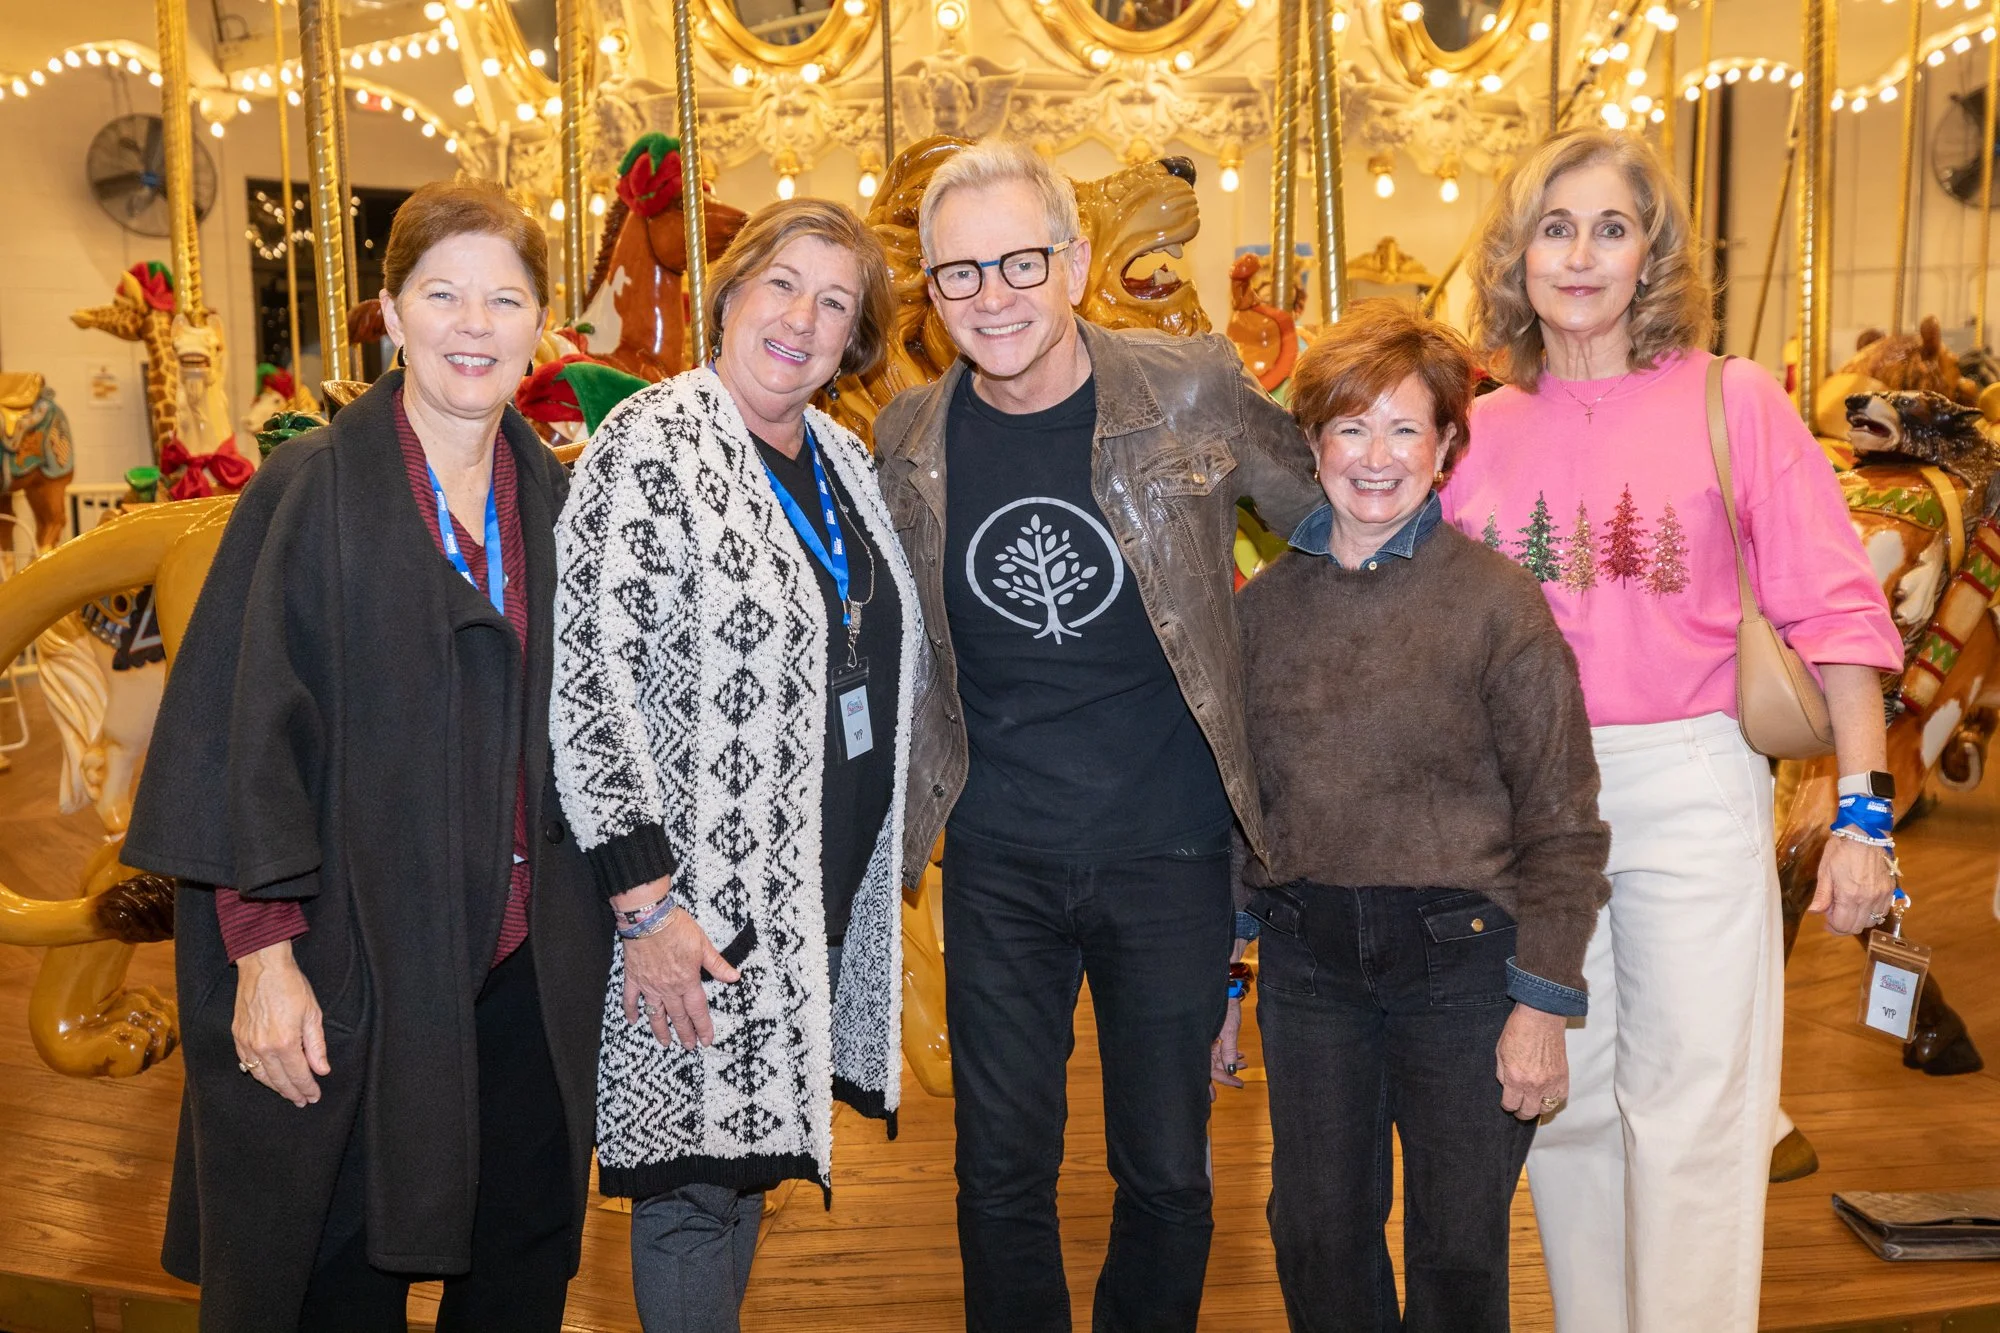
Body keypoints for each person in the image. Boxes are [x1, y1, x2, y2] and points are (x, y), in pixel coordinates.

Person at [122, 179, 611, 1332]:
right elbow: (236, 736)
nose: (474, 325)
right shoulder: (309, 492)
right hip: (351, 963)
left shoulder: (557, 499)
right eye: (442, 294)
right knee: (335, 1276)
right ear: (389, 314)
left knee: (517, 1269)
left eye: (505, 299)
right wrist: (262, 958)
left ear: (540, 326)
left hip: (524, 974)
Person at [1450, 128, 1905, 1332]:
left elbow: (1837, 613)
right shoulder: (1476, 428)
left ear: (1650, 254)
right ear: (1516, 253)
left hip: (1688, 776)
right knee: (1563, 1107)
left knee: (1695, 1110)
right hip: (1526, 802)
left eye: (1610, 228)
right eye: (1554, 228)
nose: (1579, 255)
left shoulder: (1730, 398)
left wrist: (1864, 814)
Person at [872, 137, 1321, 1332]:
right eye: (960, 272)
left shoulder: (1190, 388)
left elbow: (1330, 522)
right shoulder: (907, 437)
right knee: (998, 1170)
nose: (994, 296)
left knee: (1164, 1168)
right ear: (932, 291)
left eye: (1020, 261)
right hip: (996, 855)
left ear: (1072, 264)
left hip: (1166, 849)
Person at [550, 197, 919, 1333]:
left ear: (854, 338)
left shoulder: (844, 458)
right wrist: (645, 907)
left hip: (804, 898)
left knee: (746, 1164)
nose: (801, 320)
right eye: (782, 285)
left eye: (834, 303)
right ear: (730, 292)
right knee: (691, 1190)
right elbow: (587, 683)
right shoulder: (651, 443)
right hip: (693, 908)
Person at [1226, 300, 1610, 1333]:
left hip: (1462, 965)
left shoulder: (1496, 604)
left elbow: (1563, 823)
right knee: (1314, 1232)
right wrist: (1226, 974)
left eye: (1405, 428)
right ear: (1312, 443)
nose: (1375, 456)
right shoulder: (1262, 610)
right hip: (1308, 965)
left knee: (1457, 1251)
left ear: (1444, 449)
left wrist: (1541, 1006)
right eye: (1350, 427)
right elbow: (1237, 808)